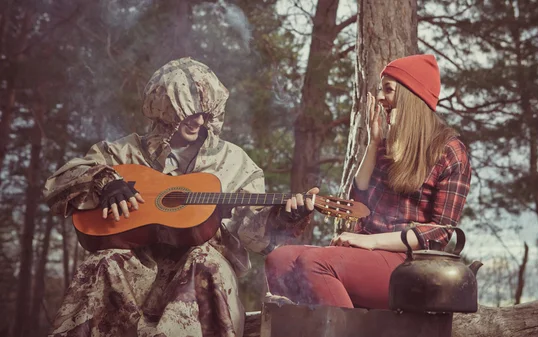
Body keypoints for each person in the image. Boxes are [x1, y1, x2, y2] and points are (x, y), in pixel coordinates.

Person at [43, 57, 318, 337]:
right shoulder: (125, 153)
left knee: (202, 261)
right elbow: (59, 184)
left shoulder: (234, 161)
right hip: (135, 269)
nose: (199, 120)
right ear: (164, 108)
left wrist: (281, 218)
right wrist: (103, 181)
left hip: (201, 272)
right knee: (102, 263)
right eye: (189, 112)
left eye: (205, 112)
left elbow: (253, 234)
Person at [264, 54, 472, 310]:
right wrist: (373, 144)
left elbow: (440, 231)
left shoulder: (450, 152)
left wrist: (370, 241)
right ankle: (338, 317)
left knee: (315, 262)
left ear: (411, 97)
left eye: (388, 89)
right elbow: (358, 202)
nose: (381, 97)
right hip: (365, 256)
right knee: (279, 260)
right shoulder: (387, 147)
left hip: (409, 264)